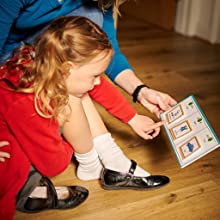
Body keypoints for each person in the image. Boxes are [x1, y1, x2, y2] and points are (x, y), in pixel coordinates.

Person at [0, 16, 170, 220]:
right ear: (68, 68)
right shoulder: (28, 105)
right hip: (9, 163)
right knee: (69, 96)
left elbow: (99, 87)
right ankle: (29, 189)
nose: (98, 81)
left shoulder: (40, 60)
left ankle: (96, 165)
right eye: (95, 75)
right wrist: (59, 123)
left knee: (75, 90)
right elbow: (53, 165)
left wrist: (132, 118)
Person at [0, 0, 177, 118]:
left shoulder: (98, 1)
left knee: (92, 19)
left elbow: (107, 48)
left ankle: (96, 155)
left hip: (41, 48)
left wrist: (141, 91)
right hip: (10, 57)